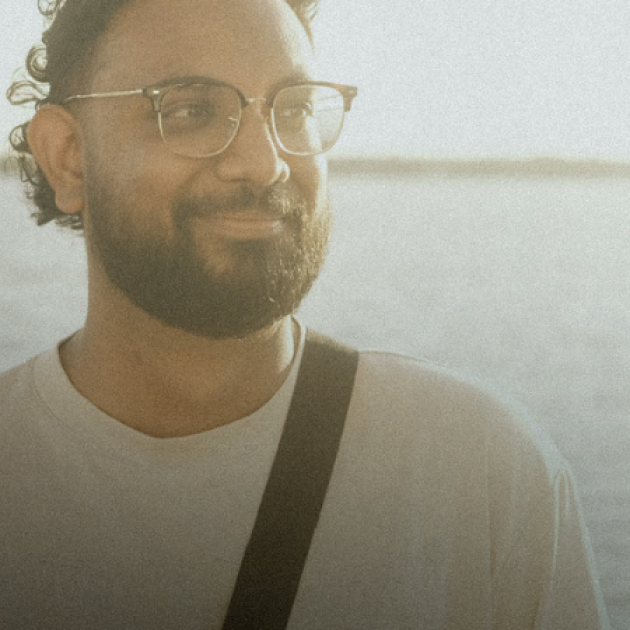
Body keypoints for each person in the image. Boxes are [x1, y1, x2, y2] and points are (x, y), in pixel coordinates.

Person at [0, 0, 610, 628]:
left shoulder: (478, 473)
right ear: (67, 155)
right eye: (189, 111)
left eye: (292, 110)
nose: (265, 165)